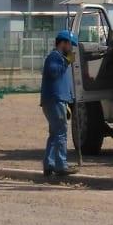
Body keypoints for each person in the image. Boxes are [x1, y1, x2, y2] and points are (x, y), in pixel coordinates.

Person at [40, 30, 80, 177]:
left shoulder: (59, 58)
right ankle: (60, 165)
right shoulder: (54, 57)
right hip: (55, 100)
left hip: (57, 100)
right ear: (63, 43)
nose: (71, 48)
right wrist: (67, 61)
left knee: (54, 134)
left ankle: (49, 164)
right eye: (70, 44)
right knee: (61, 133)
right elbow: (54, 72)